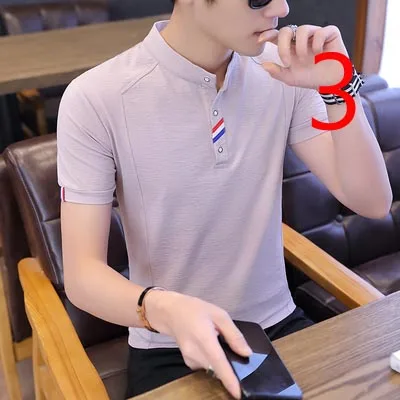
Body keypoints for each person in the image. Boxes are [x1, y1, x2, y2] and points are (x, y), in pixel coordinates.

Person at [57, 0, 392, 399]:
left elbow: (372, 202)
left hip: (278, 326)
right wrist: (166, 309)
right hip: (168, 346)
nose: (282, 8)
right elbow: (82, 276)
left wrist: (339, 89)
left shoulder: (282, 72)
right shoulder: (96, 98)